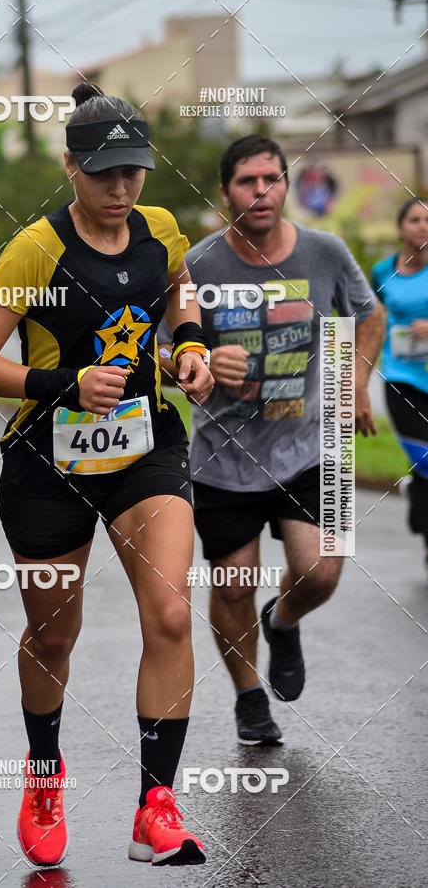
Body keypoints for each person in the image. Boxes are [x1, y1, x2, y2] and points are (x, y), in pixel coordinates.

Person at [0, 84, 214, 868]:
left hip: (146, 450)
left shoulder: (159, 228)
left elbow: (177, 288)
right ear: (69, 165)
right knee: (53, 635)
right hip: (48, 462)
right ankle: (42, 776)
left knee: (169, 612)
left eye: (133, 171)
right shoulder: (35, 248)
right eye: (103, 173)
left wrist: (192, 345)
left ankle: (156, 808)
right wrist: (63, 382)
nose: (120, 188)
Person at [159, 135, 384, 745]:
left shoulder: (326, 253)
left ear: (285, 184)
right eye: (246, 182)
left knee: (321, 572)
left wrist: (357, 382)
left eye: (271, 179)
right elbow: (156, 355)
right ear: (225, 191)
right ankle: (249, 697)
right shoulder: (197, 266)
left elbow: (369, 315)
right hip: (221, 460)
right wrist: (198, 357)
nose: (261, 191)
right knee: (233, 586)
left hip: (309, 448)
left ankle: (282, 623)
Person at [372, 197, 428, 567]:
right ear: (400, 228)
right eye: (414, 219)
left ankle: (420, 515)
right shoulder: (382, 271)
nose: (423, 226)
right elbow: (372, 319)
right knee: (424, 461)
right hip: (400, 379)